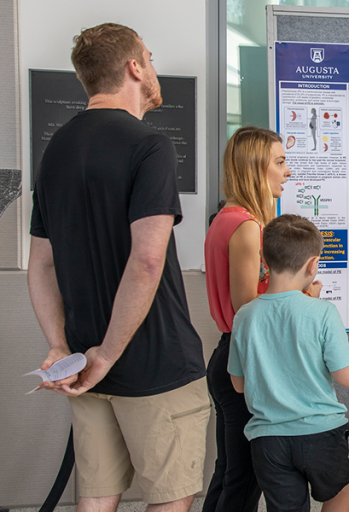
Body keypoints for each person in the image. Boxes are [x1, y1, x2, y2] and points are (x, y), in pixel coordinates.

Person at [28, 23, 208, 511]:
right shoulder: (149, 145)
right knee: (170, 499)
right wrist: (107, 353)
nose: (152, 67)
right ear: (133, 67)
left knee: (96, 498)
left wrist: (62, 347)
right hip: (156, 365)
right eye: (148, 57)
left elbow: (40, 266)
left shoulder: (55, 152)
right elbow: (147, 260)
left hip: (86, 366)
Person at [203, 126, 316, 511]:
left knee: (229, 473)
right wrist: (302, 296)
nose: (287, 171)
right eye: (280, 162)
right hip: (244, 363)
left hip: (229, 357)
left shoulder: (226, 217)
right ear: (256, 168)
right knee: (244, 479)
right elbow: (249, 308)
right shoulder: (247, 227)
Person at [228, 214, 349, 512]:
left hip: (268, 440)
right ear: (313, 265)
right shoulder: (322, 312)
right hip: (321, 433)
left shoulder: (244, 316)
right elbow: (346, 377)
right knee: (338, 492)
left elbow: (237, 383)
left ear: (263, 258)